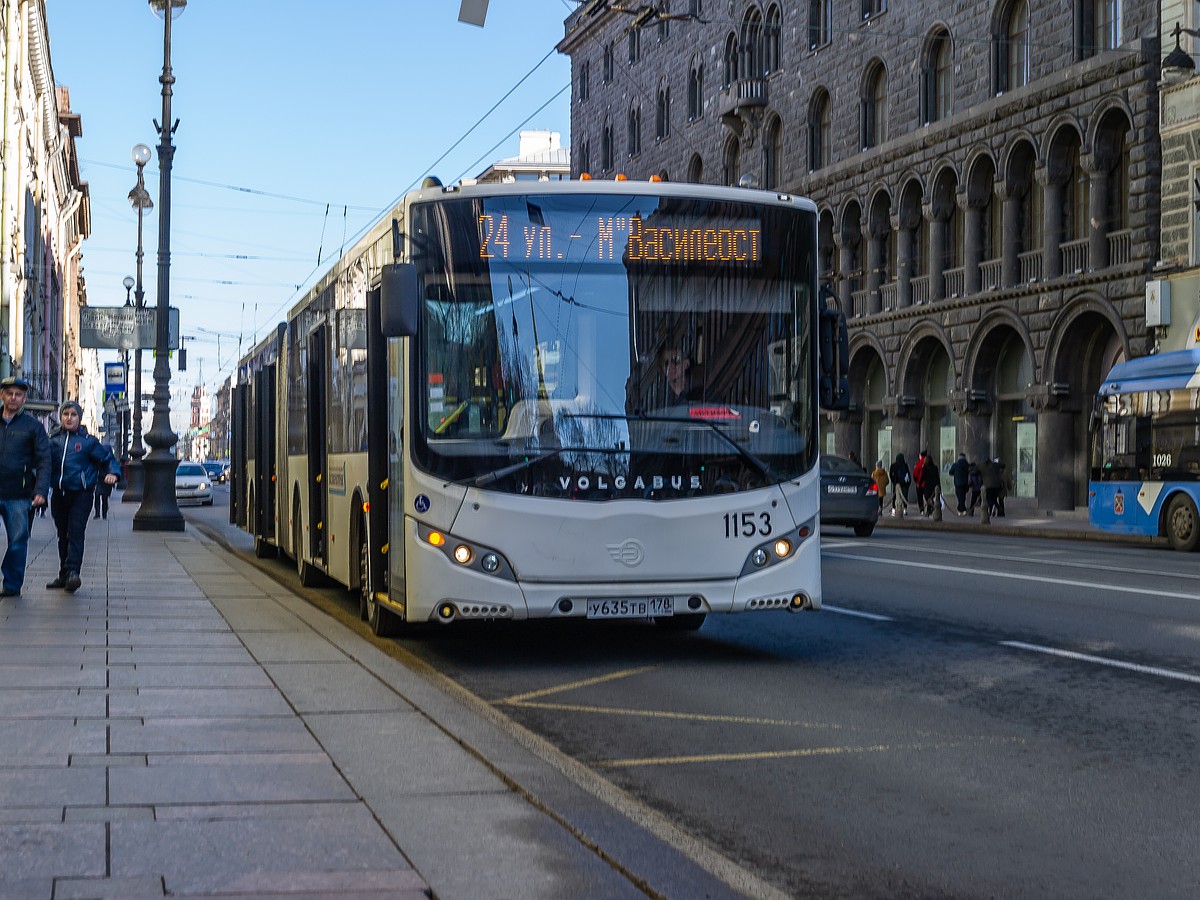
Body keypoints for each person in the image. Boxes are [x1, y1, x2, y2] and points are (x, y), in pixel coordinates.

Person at [46, 401, 120, 594]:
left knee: (75, 532)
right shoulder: (53, 440)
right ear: (61, 417)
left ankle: (73, 574)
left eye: (73, 414)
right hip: (59, 494)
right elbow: (42, 462)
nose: (69, 418)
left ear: (79, 418)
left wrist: (112, 473)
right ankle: (63, 574)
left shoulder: (88, 442)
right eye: (65, 414)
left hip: (81, 493)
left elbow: (107, 458)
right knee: (63, 535)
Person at [0, 376, 51, 597]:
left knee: (18, 540)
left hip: (19, 495)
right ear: (2, 395)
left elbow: (43, 460)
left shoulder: (33, 427)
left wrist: (40, 490)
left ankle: (11, 584)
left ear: (24, 398)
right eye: (9, 393)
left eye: (18, 394)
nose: (13, 398)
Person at [916, 450, 940, 516]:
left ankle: (931, 509)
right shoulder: (935, 468)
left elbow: (922, 477)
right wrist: (939, 485)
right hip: (934, 485)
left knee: (928, 498)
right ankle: (930, 510)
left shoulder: (925, 467)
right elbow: (937, 477)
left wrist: (919, 483)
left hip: (927, 485)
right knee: (931, 498)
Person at [888, 452, 911, 517]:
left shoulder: (893, 465)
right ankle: (905, 510)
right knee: (905, 496)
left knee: (895, 496)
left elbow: (890, 474)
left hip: (896, 483)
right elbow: (908, 474)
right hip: (904, 483)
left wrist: (894, 481)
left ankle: (893, 510)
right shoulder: (905, 465)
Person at [948, 452, 970, 516]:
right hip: (965, 483)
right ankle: (962, 509)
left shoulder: (956, 464)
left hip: (958, 482)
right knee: (963, 496)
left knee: (959, 496)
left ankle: (961, 509)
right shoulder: (967, 464)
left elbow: (950, 472)